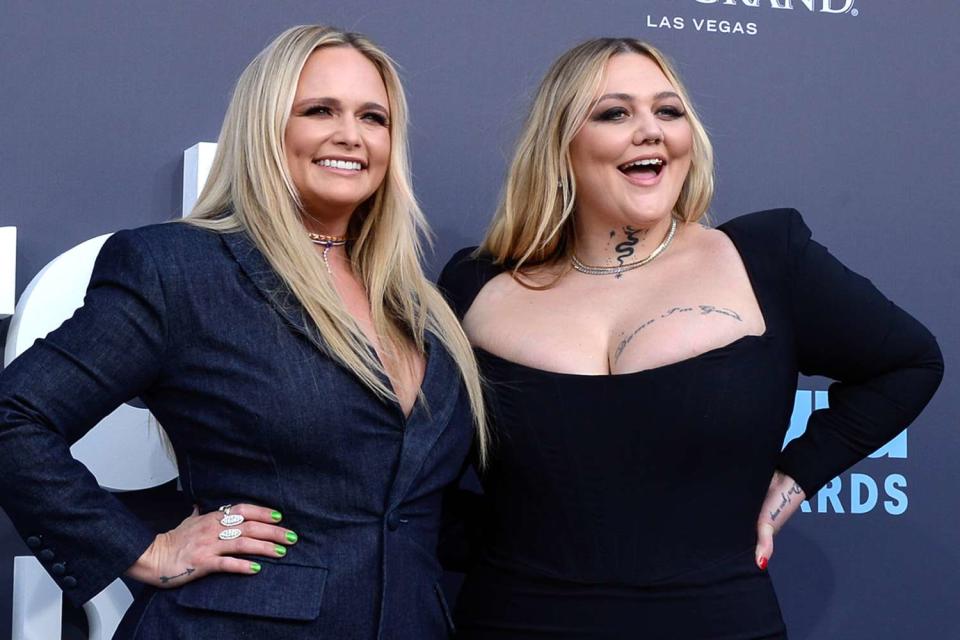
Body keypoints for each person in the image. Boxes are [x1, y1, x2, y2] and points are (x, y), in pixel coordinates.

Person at [438, 37, 943, 639]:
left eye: (669, 111)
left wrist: (794, 480)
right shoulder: (476, 283)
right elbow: (401, 453)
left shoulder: (765, 259)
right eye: (615, 113)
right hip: (511, 620)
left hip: (717, 623)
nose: (651, 130)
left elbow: (911, 362)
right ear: (561, 144)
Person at [0, 25, 487, 639]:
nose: (351, 135)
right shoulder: (179, 269)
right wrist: (144, 550)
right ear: (267, 128)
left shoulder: (421, 304)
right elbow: (12, 418)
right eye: (318, 110)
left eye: (374, 117)